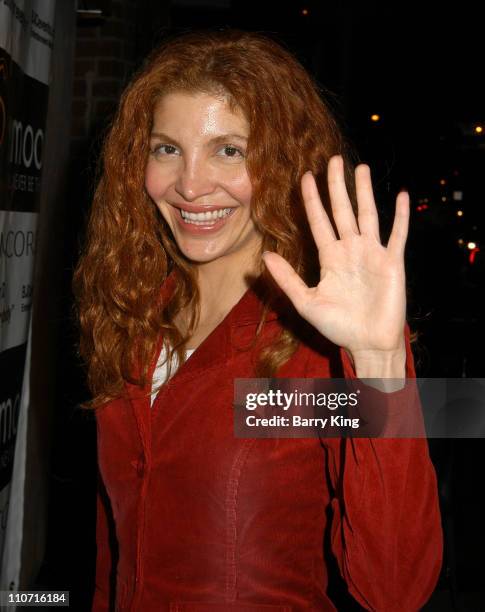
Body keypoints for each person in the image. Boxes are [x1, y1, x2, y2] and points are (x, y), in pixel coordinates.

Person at [72, 29, 443, 612]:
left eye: (229, 150)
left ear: (283, 163)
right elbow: (111, 558)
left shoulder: (310, 349)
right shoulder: (133, 322)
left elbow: (394, 589)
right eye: (167, 148)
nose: (191, 185)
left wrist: (379, 363)